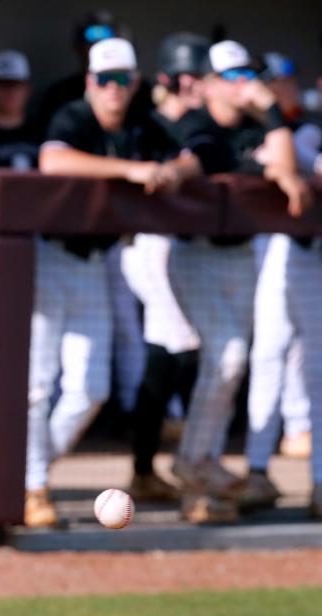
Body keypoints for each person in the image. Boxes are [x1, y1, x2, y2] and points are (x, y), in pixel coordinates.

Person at [30, 38, 203, 527]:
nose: (113, 89)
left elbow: (195, 154)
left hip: (96, 263)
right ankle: (31, 484)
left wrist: (173, 169)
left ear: (136, 83)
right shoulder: (73, 116)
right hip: (49, 257)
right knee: (38, 385)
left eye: (122, 79)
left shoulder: (143, 126)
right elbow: (54, 160)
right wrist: (132, 171)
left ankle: (29, 470)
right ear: (90, 82)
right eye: (104, 80)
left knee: (91, 388)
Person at [168, 40, 313, 522]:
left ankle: (200, 467)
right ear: (208, 83)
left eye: (245, 75)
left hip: (241, 258)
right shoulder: (193, 121)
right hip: (192, 256)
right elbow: (203, 155)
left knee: (229, 365)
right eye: (229, 77)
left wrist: (271, 110)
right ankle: (193, 462)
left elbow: (287, 167)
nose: (240, 84)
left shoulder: (257, 126)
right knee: (227, 356)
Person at [122, 32, 212, 504]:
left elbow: (203, 155)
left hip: (187, 246)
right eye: (196, 76)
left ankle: (146, 464)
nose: (203, 85)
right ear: (172, 80)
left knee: (169, 351)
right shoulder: (143, 125)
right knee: (178, 345)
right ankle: (161, 459)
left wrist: (178, 170)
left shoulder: (201, 124)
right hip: (147, 247)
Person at [243, 51, 322, 515]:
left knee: (316, 370)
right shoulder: (277, 131)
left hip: (312, 257)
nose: (277, 90)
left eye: (282, 82)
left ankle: (319, 482)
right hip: (285, 251)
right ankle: (255, 471)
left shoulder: (307, 128)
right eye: (268, 83)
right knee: (268, 355)